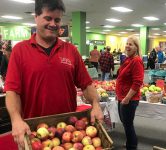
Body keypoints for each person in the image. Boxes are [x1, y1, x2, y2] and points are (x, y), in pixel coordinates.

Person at [4, 0, 103, 148]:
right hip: (34, 132)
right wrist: (15, 119)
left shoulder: (71, 51)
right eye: (48, 18)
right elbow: (12, 91)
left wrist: (96, 104)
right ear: (36, 17)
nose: (53, 24)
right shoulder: (20, 51)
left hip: (69, 132)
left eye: (57, 20)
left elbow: (86, 84)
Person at [115, 35, 144, 150]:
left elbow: (137, 82)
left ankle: (132, 146)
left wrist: (127, 98)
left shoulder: (136, 61)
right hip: (122, 97)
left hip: (129, 99)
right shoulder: (128, 59)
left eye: (130, 44)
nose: (127, 46)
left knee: (128, 124)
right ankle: (130, 143)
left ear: (136, 47)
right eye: (127, 43)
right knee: (125, 123)